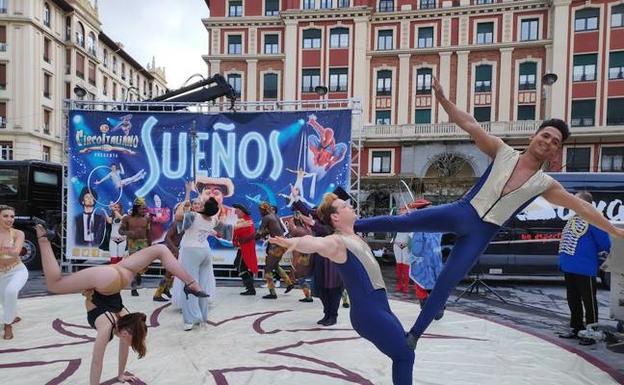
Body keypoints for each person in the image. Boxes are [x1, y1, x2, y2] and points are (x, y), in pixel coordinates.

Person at [354, 76, 624, 350]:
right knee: (406, 220)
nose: (549, 142)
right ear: (534, 136)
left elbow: (582, 207)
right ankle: (355, 225)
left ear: (557, 152)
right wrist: (443, 100)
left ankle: (413, 336)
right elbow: (469, 123)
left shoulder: (546, 184)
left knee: (446, 282)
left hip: (482, 233)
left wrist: (614, 230)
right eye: (546, 135)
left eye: (555, 142)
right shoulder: (503, 151)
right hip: (462, 211)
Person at [35, 223, 208, 385]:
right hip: (107, 281)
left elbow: (120, 349)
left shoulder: (127, 319)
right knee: (54, 285)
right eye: (129, 338)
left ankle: (191, 283)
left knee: (161, 249)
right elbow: (97, 362)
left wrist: (120, 374)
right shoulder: (108, 326)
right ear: (126, 332)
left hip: (120, 275)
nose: (127, 342)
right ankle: (43, 238)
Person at [269, 193, 415, 385]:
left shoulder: (353, 235)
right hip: (369, 313)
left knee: (405, 352)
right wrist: (293, 242)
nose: (350, 206)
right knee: (404, 355)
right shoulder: (337, 241)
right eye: (344, 206)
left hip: (379, 308)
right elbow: (316, 243)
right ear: (335, 217)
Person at [558, 191, 611, 346]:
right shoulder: (573, 219)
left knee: (589, 301)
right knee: (572, 299)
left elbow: (605, 243)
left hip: (585, 267)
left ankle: (592, 330)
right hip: (569, 265)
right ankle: (576, 327)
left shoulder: (594, 220)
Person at [176, 182, 219, 331]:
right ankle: (202, 317)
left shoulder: (194, 216)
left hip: (191, 251)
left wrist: (186, 195)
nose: (200, 204)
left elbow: (178, 215)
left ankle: (189, 320)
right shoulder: (213, 219)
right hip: (205, 253)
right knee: (202, 285)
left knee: (188, 285)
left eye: (202, 203)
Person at [256, 202, 294, 299]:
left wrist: (250, 239)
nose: (259, 212)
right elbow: (279, 229)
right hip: (282, 243)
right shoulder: (275, 216)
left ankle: (272, 293)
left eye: (260, 210)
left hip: (276, 245)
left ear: (264, 210)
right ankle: (289, 283)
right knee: (275, 265)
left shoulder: (266, 218)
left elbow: (260, 233)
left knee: (268, 269)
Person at [0, 205, 27, 340]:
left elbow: (16, 252)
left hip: (17, 271)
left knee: (10, 291)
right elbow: (11, 251)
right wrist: (6, 249)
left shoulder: (18, 233)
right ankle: (13, 315)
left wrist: (5, 249)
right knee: (4, 300)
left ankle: (8, 324)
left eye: (12, 216)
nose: (10, 219)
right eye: (5, 216)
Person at [119, 197, 151, 296]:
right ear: (136, 208)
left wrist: (150, 243)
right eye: (142, 208)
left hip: (144, 243)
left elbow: (148, 232)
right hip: (132, 243)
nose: (144, 210)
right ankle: (134, 287)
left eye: (145, 208)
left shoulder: (147, 219)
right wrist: (128, 232)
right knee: (134, 264)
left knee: (144, 265)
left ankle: (138, 274)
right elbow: (120, 231)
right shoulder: (127, 218)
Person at [232, 203, 258, 296]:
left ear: (242, 211)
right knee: (241, 266)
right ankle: (250, 287)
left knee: (240, 266)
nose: (236, 213)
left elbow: (236, 232)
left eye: (237, 211)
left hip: (245, 248)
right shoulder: (247, 220)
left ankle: (250, 288)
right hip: (244, 247)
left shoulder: (245, 221)